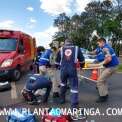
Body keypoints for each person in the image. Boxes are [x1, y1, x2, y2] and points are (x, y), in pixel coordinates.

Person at [55, 38, 85, 109]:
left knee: (63, 84)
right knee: (74, 86)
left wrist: (58, 67)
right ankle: (74, 105)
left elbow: (57, 61)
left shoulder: (61, 49)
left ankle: (62, 99)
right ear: (72, 43)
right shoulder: (77, 48)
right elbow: (82, 60)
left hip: (63, 70)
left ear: (65, 43)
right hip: (72, 69)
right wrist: (82, 66)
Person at [89, 38, 119, 103]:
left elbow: (109, 59)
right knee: (103, 80)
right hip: (111, 66)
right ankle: (105, 94)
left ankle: (103, 97)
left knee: (99, 81)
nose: (98, 45)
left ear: (102, 42)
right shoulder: (106, 47)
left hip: (111, 67)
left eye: (98, 43)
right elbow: (106, 58)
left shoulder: (105, 48)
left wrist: (100, 64)